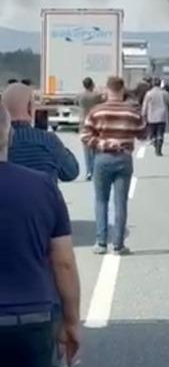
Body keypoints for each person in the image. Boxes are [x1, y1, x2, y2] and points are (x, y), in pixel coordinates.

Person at [0, 102, 81, 367]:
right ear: (9, 136)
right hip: (30, 317)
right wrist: (71, 321)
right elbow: (64, 263)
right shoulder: (42, 186)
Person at [81, 75, 146, 255]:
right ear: (122, 89)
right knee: (120, 202)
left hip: (102, 159)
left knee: (101, 200)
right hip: (124, 159)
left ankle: (101, 242)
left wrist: (103, 143)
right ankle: (118, 245)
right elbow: (143, 133)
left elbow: (85, 136)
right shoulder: (132, 111)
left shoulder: (96, 111)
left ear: (107, 90)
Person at [3, 83, 79, 184]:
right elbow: (71, 172)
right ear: (30, 108)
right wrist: (58, 146)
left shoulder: (3, 142)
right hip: (42, 198)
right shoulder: (48, 141)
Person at [78, 77, 102, 181]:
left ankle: (89, 171)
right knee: (96, 149)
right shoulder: (97, 96)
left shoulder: (80, 96)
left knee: (86, 150)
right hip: (96, 123)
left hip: (84, 123)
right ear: (92, 84)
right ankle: (96, 171)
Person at [142, 78, 169, 156]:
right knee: (160, 133)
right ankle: (159, 149)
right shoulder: (165, 93)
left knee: (152, 133)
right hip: (162, 116)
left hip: (151, 116)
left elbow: (145, 105)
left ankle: (155, 144)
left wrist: (143, 114)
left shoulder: (149, 93)